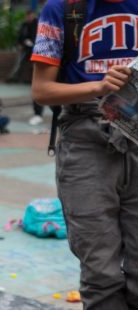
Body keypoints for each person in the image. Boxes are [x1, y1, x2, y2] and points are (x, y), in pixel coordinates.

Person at [31, 1, 138, 309]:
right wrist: (99, 86)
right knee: (100, 274)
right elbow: (41, 90)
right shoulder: (62, 8)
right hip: (86, 141)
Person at [9, 10, 37, 84]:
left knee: (33, 64)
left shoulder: (37, 24)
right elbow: (20, 36)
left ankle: (31, 79)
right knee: (19, 62)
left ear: (33, 16)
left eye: (30, 16)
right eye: (28, 16)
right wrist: (19, 44)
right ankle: (14, 77)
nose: (29, 18)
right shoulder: (24, 25)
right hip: (24, 47)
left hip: (34, 47)